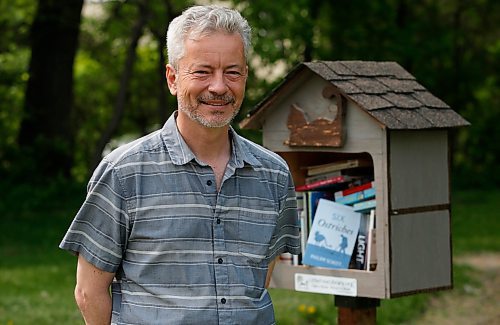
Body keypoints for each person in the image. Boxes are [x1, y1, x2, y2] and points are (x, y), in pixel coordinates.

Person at [59, 5, 300, 324]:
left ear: (245, 77)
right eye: (202, 71)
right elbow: (89, 292)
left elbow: (259, 278)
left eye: (232, 71)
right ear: (173, 78)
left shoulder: (274, 174)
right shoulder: (123, 173)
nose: (218, 87)